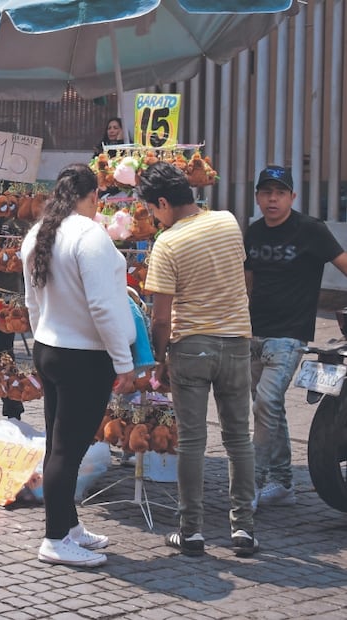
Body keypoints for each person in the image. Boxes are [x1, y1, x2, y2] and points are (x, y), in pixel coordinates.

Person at [140, 161, 259, 558]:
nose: (154, 219)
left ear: (162, 202)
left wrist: (159, 358)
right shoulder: (228, 222)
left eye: (153, 211)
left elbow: (160, 317)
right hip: (236, 343)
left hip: (191, 345)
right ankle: (243, 528)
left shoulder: (168, 244)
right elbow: (242, 279)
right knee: (238, 438)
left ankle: (191, 531)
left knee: (193, 441)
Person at [20, 164, 135, 567]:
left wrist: (42, 337)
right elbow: (104, 306)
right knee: (67, 451)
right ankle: (54, 539)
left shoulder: (37, 234)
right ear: (90, 197)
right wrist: (124, 362)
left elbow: (32, 302)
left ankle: (68, 527)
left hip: (49, 347)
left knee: (58, 445)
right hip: (83, 356)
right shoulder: (90, 236)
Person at [244, 165, 347, 509]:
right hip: (254, 333)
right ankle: (284, 482)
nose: (272, 199)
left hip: (290, 335)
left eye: (280, 193)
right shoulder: (254, 233)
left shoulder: (311, 230)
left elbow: (343, 262)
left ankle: (253, 485)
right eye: (266, 193)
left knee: (265, 403)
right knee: (269, 409)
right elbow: (248, 283)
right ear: (258, 196)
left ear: (292, 197)